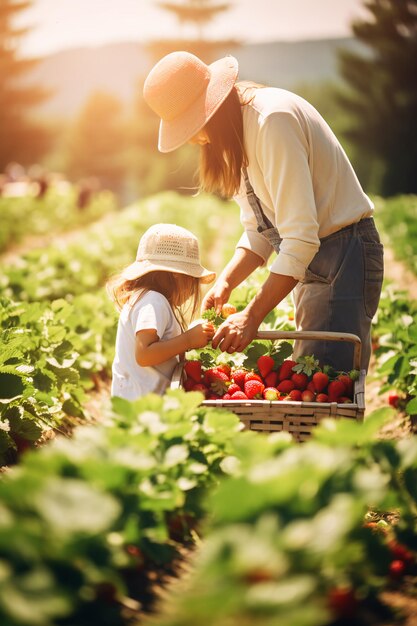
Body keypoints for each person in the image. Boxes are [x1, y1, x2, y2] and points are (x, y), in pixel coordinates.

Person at [142, 51, 384, 372]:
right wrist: (227, 282)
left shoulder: (272, 122)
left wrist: (251, 316)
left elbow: (299, 238)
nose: (195, 140)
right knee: (315, 374)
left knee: (327, 383)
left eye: (193, 127)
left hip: (343, 254)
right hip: (318, 259)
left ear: (211, 110)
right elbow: (260, 229)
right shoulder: (240, 134)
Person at [108, 223, 216, 400]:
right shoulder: (154, 301)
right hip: (144, 407)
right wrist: (188, 339)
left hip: (135, 400)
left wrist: (190, 334)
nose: (191, 291)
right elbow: (144, 354)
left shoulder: (146, 298)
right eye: (192, 280)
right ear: (176, 274)